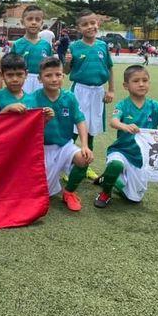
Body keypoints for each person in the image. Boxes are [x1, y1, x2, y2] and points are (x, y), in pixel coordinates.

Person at [94, 65, 158, 208]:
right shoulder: (123, 105)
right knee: (116, 164)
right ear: (126, 86)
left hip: (141, 159)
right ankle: (106, 192)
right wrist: (125, 126)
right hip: (122, 151)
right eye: (136, 81)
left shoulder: (155, 107)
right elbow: (113, 121)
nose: (141, 84)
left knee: (134, 199)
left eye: (145, 80)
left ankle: (109, 179)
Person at [28, 57, 93, 211]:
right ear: (39, 79)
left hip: (65, 145)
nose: (54, 79)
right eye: (48, 75)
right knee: (43, 192)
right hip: (42, 148)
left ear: (63, 76)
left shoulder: (69, 97)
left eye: (58, 75)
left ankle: (69, 192)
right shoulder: (33, 99)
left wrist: (84, 145)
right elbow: (28, 125)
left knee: (85, 158)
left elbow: (80, 120)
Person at [64, 10, 114, 180]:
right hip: (80, 91)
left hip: (97, 92)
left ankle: (86, 166)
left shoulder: (102, 46)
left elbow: (109, 68)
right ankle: (67, 167)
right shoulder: (74, 47)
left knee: (91, 131)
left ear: (97, 24)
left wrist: (111, 90)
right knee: (73, 130)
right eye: (85, 24)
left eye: (92, 23)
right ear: (79, 27)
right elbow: (66, 71)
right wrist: (68, 62)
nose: (90, 27)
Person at [11, 5, 53, 94]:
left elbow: (50, 67)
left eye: (37, 20)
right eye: (30, 19)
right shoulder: (17, 44)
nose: (34, 22)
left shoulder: (46, 45)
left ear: (42, 23)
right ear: (22, 22)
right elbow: (11, 67)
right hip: (22, 80)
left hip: (41, 81)